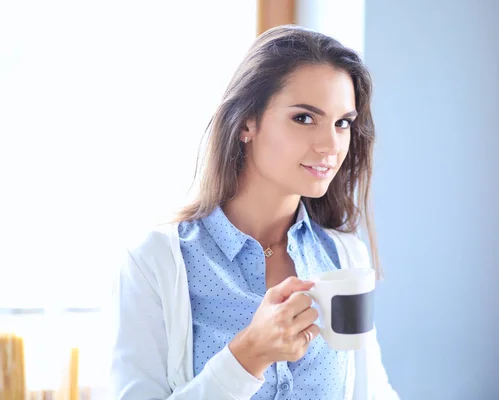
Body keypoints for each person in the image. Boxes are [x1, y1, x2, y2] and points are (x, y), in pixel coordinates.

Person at [110, 25, 399, 400]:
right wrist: (248, 355)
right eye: (304, 118)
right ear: (248, 122)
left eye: (342, 123)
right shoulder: (156, 263)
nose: (331, 145)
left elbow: (371, 394)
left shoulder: (344, 256)